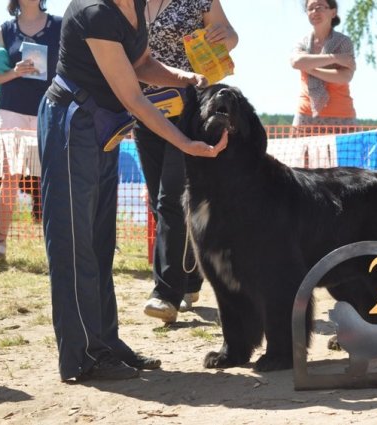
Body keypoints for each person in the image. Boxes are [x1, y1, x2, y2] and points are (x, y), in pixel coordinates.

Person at [37, 0, 228, 382]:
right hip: (71, 127)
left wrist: (187, 78)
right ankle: (83, 357)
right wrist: (185, 142)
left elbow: (142, 65)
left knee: (99, 243)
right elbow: (134, 97)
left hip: (101, 129)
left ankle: (107, 344)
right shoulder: (95, 11)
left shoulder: (134, 6)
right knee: (75, 246)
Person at [138, 0, 238, 324]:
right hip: (143, 109)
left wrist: (226, 35)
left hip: (190, 109)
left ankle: (165, 294)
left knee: (170, 200)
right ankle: (191, 276)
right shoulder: (129, 4)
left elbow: (231, 36)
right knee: (160, 201)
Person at [0, 0, 61, 266]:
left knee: (55, 178)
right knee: (10, 177)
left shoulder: (61, 26)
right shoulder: (4, 30)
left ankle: (58, 245)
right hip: (12, 110)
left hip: (50, 109)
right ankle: (0, 245)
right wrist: (13, 72)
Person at [290, 0, 356, 129]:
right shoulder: (302, 42)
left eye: (320, 7)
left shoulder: (344, 42)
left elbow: (344, 77)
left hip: (341, 115)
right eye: (311, 8)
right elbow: (296, 62)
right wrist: (334, 58)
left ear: (333, 12)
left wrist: (310, 68)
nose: (315, 11)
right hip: (306, 113)